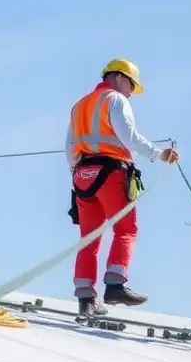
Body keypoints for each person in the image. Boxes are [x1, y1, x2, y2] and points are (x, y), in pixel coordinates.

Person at [66, 58, 179, 316]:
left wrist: (77, 174)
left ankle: (86, 299)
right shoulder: (115, 100)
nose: (131, 92)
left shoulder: (79, 106)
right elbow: (128, 137)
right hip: (110, 172)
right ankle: (116, 283)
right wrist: (158, 154)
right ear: (119, 78)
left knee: (89, 238)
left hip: (83, 175)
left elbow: (69, 146)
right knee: (126, 228)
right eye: (131, 85)